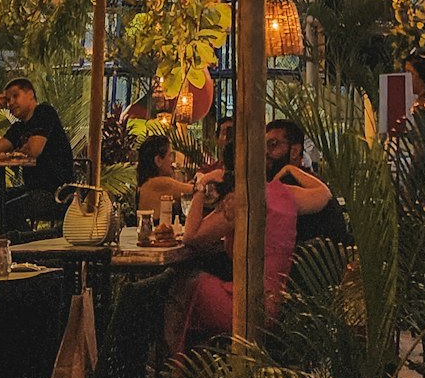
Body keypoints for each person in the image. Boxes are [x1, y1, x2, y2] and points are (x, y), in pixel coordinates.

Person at [177, 135, 330, 348]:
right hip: (277, 306)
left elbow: (191, 237)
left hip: (247, 309)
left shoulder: (240, 201)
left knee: (186, 285)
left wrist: (201, 185)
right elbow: (324, 193)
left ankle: (176, 368)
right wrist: (292, 170)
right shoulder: (283, 194)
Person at [0, 78, 74, 233]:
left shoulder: (44, 113)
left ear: (30, 94)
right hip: (32, 189)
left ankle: (28, 243)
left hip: (57, 192)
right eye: (7, 99)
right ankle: (4, 246)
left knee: (8, 210)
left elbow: (33, 150)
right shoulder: (18, 128)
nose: (10, 103)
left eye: (15, 96)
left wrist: (19, 150)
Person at [265, 119, 348, 248]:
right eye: (262, 146)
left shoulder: (292, 184)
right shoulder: (311, 181)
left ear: (295, 151)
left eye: (273, 144)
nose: (266, 153)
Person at [135, 134, 190, 219]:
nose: (173, 160)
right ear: (158, 160)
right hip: (156, 231)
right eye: (170, 155)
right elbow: (195, 190)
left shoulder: (147, 183)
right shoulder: (159, 183)